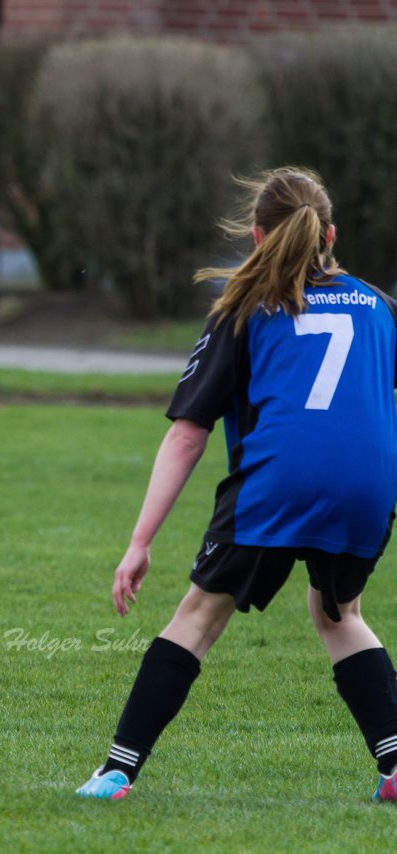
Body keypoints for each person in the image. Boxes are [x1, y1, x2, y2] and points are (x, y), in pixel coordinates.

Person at [77, 167, 397, 801]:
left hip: (278, 483)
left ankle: (117, 771)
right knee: (340, 613)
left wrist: (140, 542)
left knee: (197, 617)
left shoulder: (245, 308)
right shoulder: (380, 306)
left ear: (257, 237)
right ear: (330, 234)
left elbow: (188, 436)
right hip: (370, 486)